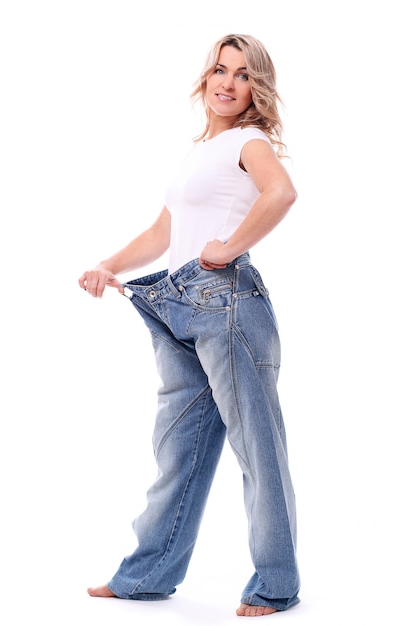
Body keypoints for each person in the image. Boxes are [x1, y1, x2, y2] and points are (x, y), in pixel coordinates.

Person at [79, 33, 300, 617]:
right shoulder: (200, 152)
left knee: (259, 451)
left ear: (258, 88)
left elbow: (282, 193)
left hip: (227, 304)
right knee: (178, 449)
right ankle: (147, 574)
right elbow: (162, 234)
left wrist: (230, 247)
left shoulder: (250, 142)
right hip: (177, 307)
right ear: (205, 79)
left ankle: (276, 582)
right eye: (219, 70)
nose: (227, 82)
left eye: (244, 74)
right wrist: (107, 265)